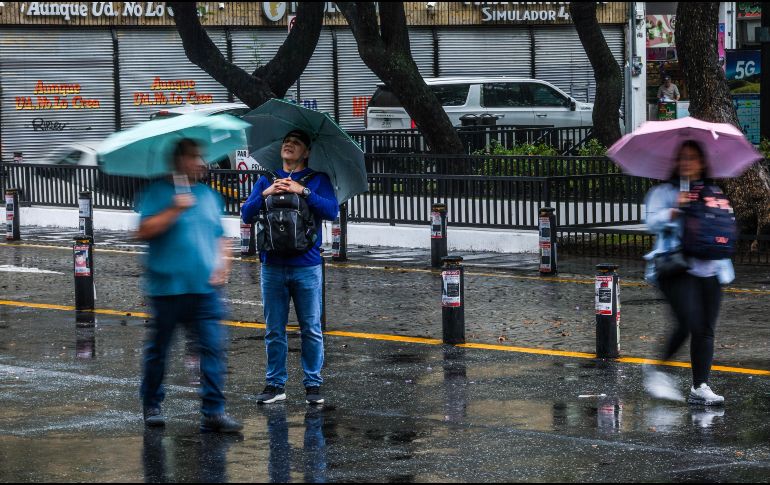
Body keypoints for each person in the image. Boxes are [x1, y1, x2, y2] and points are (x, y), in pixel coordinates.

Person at [137, 138, 242, 433]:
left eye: (201, 156)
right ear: (179, 161)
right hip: (167, 289)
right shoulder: (157, 193)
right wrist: (174, 209)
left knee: (213, 348)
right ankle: (152, 403)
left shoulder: (210, 196)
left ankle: (214, 411)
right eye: (194, 156)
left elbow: (222, 237)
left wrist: (223, 265)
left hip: (206, 291)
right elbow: (143, 231)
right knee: (159, 350)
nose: (201, 163)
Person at [241, 129, 338, 406]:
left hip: (306, 266)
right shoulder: (266, 179)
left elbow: (331, 211)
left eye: (296, 143)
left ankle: (313, 384)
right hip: (272, 265)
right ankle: (275, 384)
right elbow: (247, 213)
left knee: (310, 327)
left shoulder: (317, 180)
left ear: (306, 152)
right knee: (274, 329)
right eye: (286, 142)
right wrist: (267, 192)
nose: (289, 145)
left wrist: (302, 191)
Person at [642, 140, 734, 406]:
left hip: (712, 267)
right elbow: (651, 222)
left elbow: (723, 226)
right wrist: (676, 209)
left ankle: (700, 386)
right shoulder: (665, 192)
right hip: (677, 267)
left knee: (705, 328)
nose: (687, 162)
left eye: (692, 157)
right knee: (688, 322)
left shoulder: (713, 191)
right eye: (682, 158)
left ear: (703, 162)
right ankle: (656, 368)